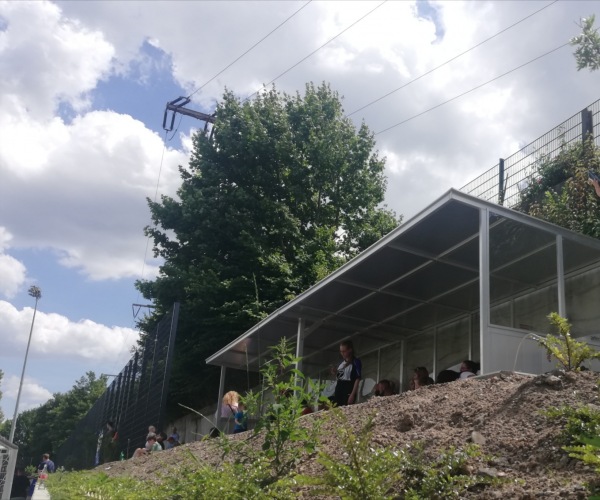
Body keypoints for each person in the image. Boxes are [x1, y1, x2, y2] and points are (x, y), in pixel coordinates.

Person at [331, 340, 362, 406]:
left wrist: (352, 394)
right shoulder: (342, 364)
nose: (342, 353)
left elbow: (357, 379)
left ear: (350, 350)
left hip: (347, 388)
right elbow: (340, 377)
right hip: (339, 388)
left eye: (344, 351)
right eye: (341, 351)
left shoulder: (356, 362)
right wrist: (335, 372)